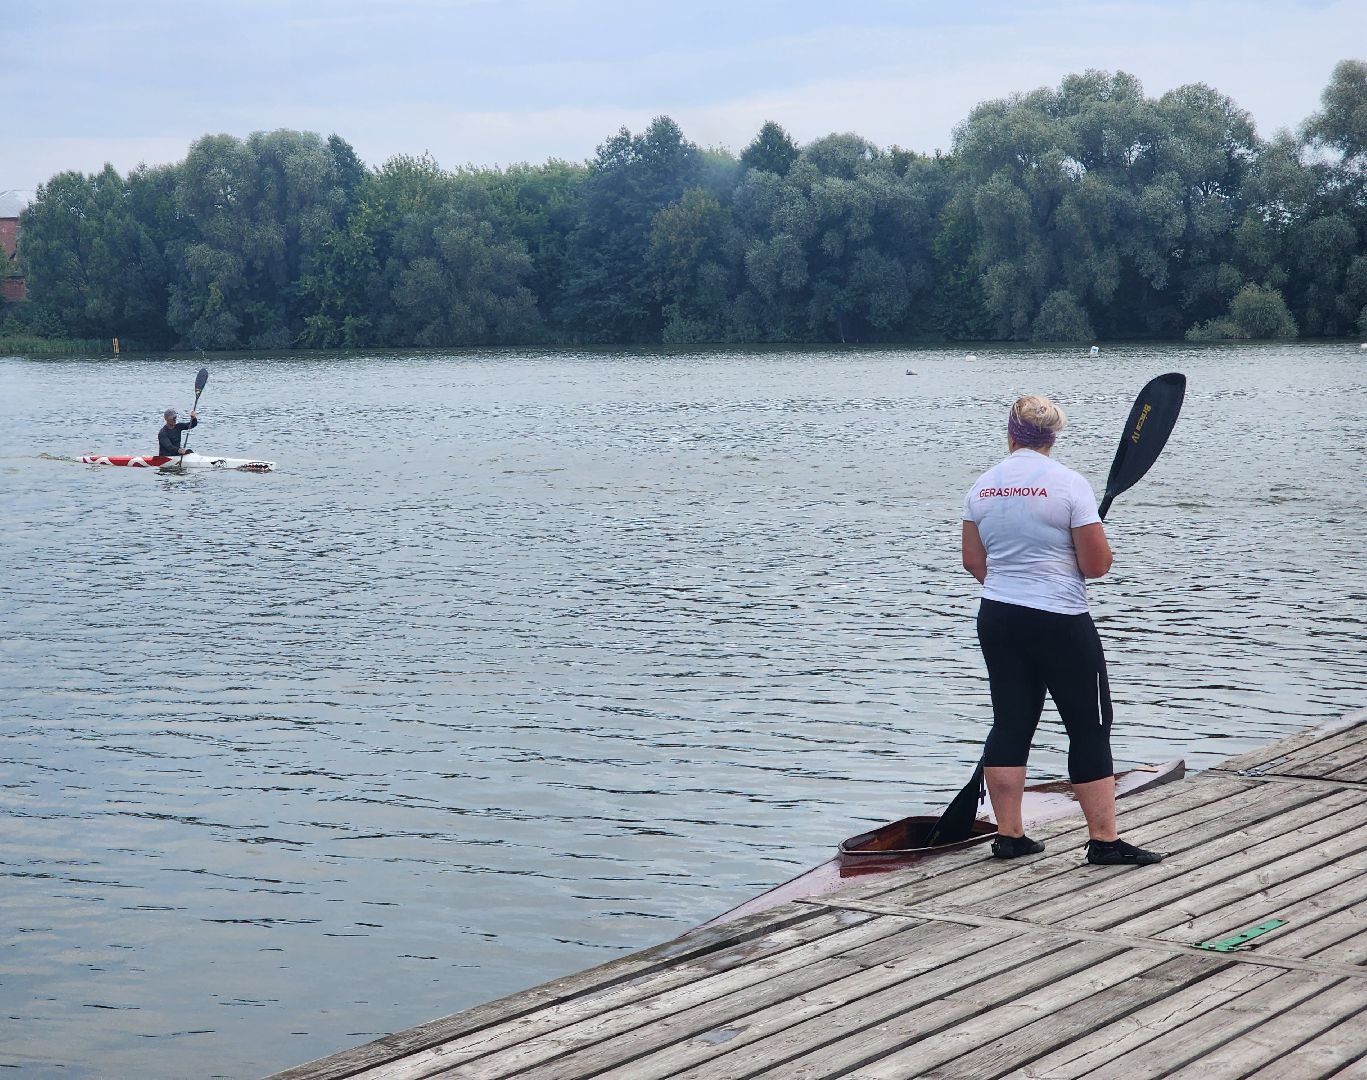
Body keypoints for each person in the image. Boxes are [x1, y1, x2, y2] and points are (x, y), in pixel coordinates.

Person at [961, 395, 1162, 867]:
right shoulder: (1070, 485)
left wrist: (1014, 587)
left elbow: (974, 562)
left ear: (1010, 433)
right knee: (1089, 726)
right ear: (1053, 436)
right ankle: (1104, 842)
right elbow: (1095, 566)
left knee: (1011, 721)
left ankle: (1010, 836)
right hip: (1060, 620)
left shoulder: (982, 486)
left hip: (998, 616)